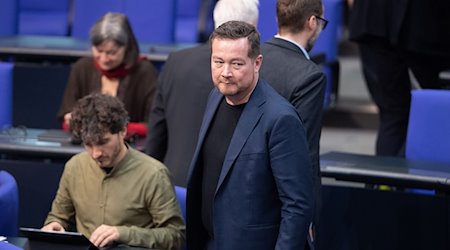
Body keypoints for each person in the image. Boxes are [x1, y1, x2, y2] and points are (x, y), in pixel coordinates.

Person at [186, 21, 313, 250]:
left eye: (236, 64)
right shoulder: (215, 97)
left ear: (257, 63)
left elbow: (297, 206)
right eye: (218, 62)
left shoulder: (280, 119)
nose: (225, 73)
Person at [43, 94, 185, 249]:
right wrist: (54, 225)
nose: (96, 153)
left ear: (123, 131)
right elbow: (59, 216)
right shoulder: (75, 167)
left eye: (103, 142)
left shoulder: (153, 174)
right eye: (88, 144)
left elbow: (175, 236)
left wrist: (123, 234)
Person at [145, 0, 259, 187]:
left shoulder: (176, 62)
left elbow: (157, 130)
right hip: (224, 190)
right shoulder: (253, 73)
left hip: (173, 183)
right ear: (253, 27)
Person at [260, 0, 327, 247]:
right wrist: (310, 216)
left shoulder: (254, 59)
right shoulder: (310, 76)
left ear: (278, 19)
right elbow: (305, 154)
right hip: (283, 208)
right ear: (312, 22)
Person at [348, 0, 450, 156]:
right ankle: (391, 177)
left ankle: (386, 179)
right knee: (435, 108)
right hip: (422, 19)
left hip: (375, 16)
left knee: (394, 113)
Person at [58, 12, 158, 138]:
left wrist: (115, 130)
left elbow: (153, 125)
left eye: (112, 52)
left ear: (126, 48)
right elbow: (66, 119)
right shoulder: (82, 67)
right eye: (99, 51)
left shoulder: (144, 71)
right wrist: (71, 121)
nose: (104, 59)